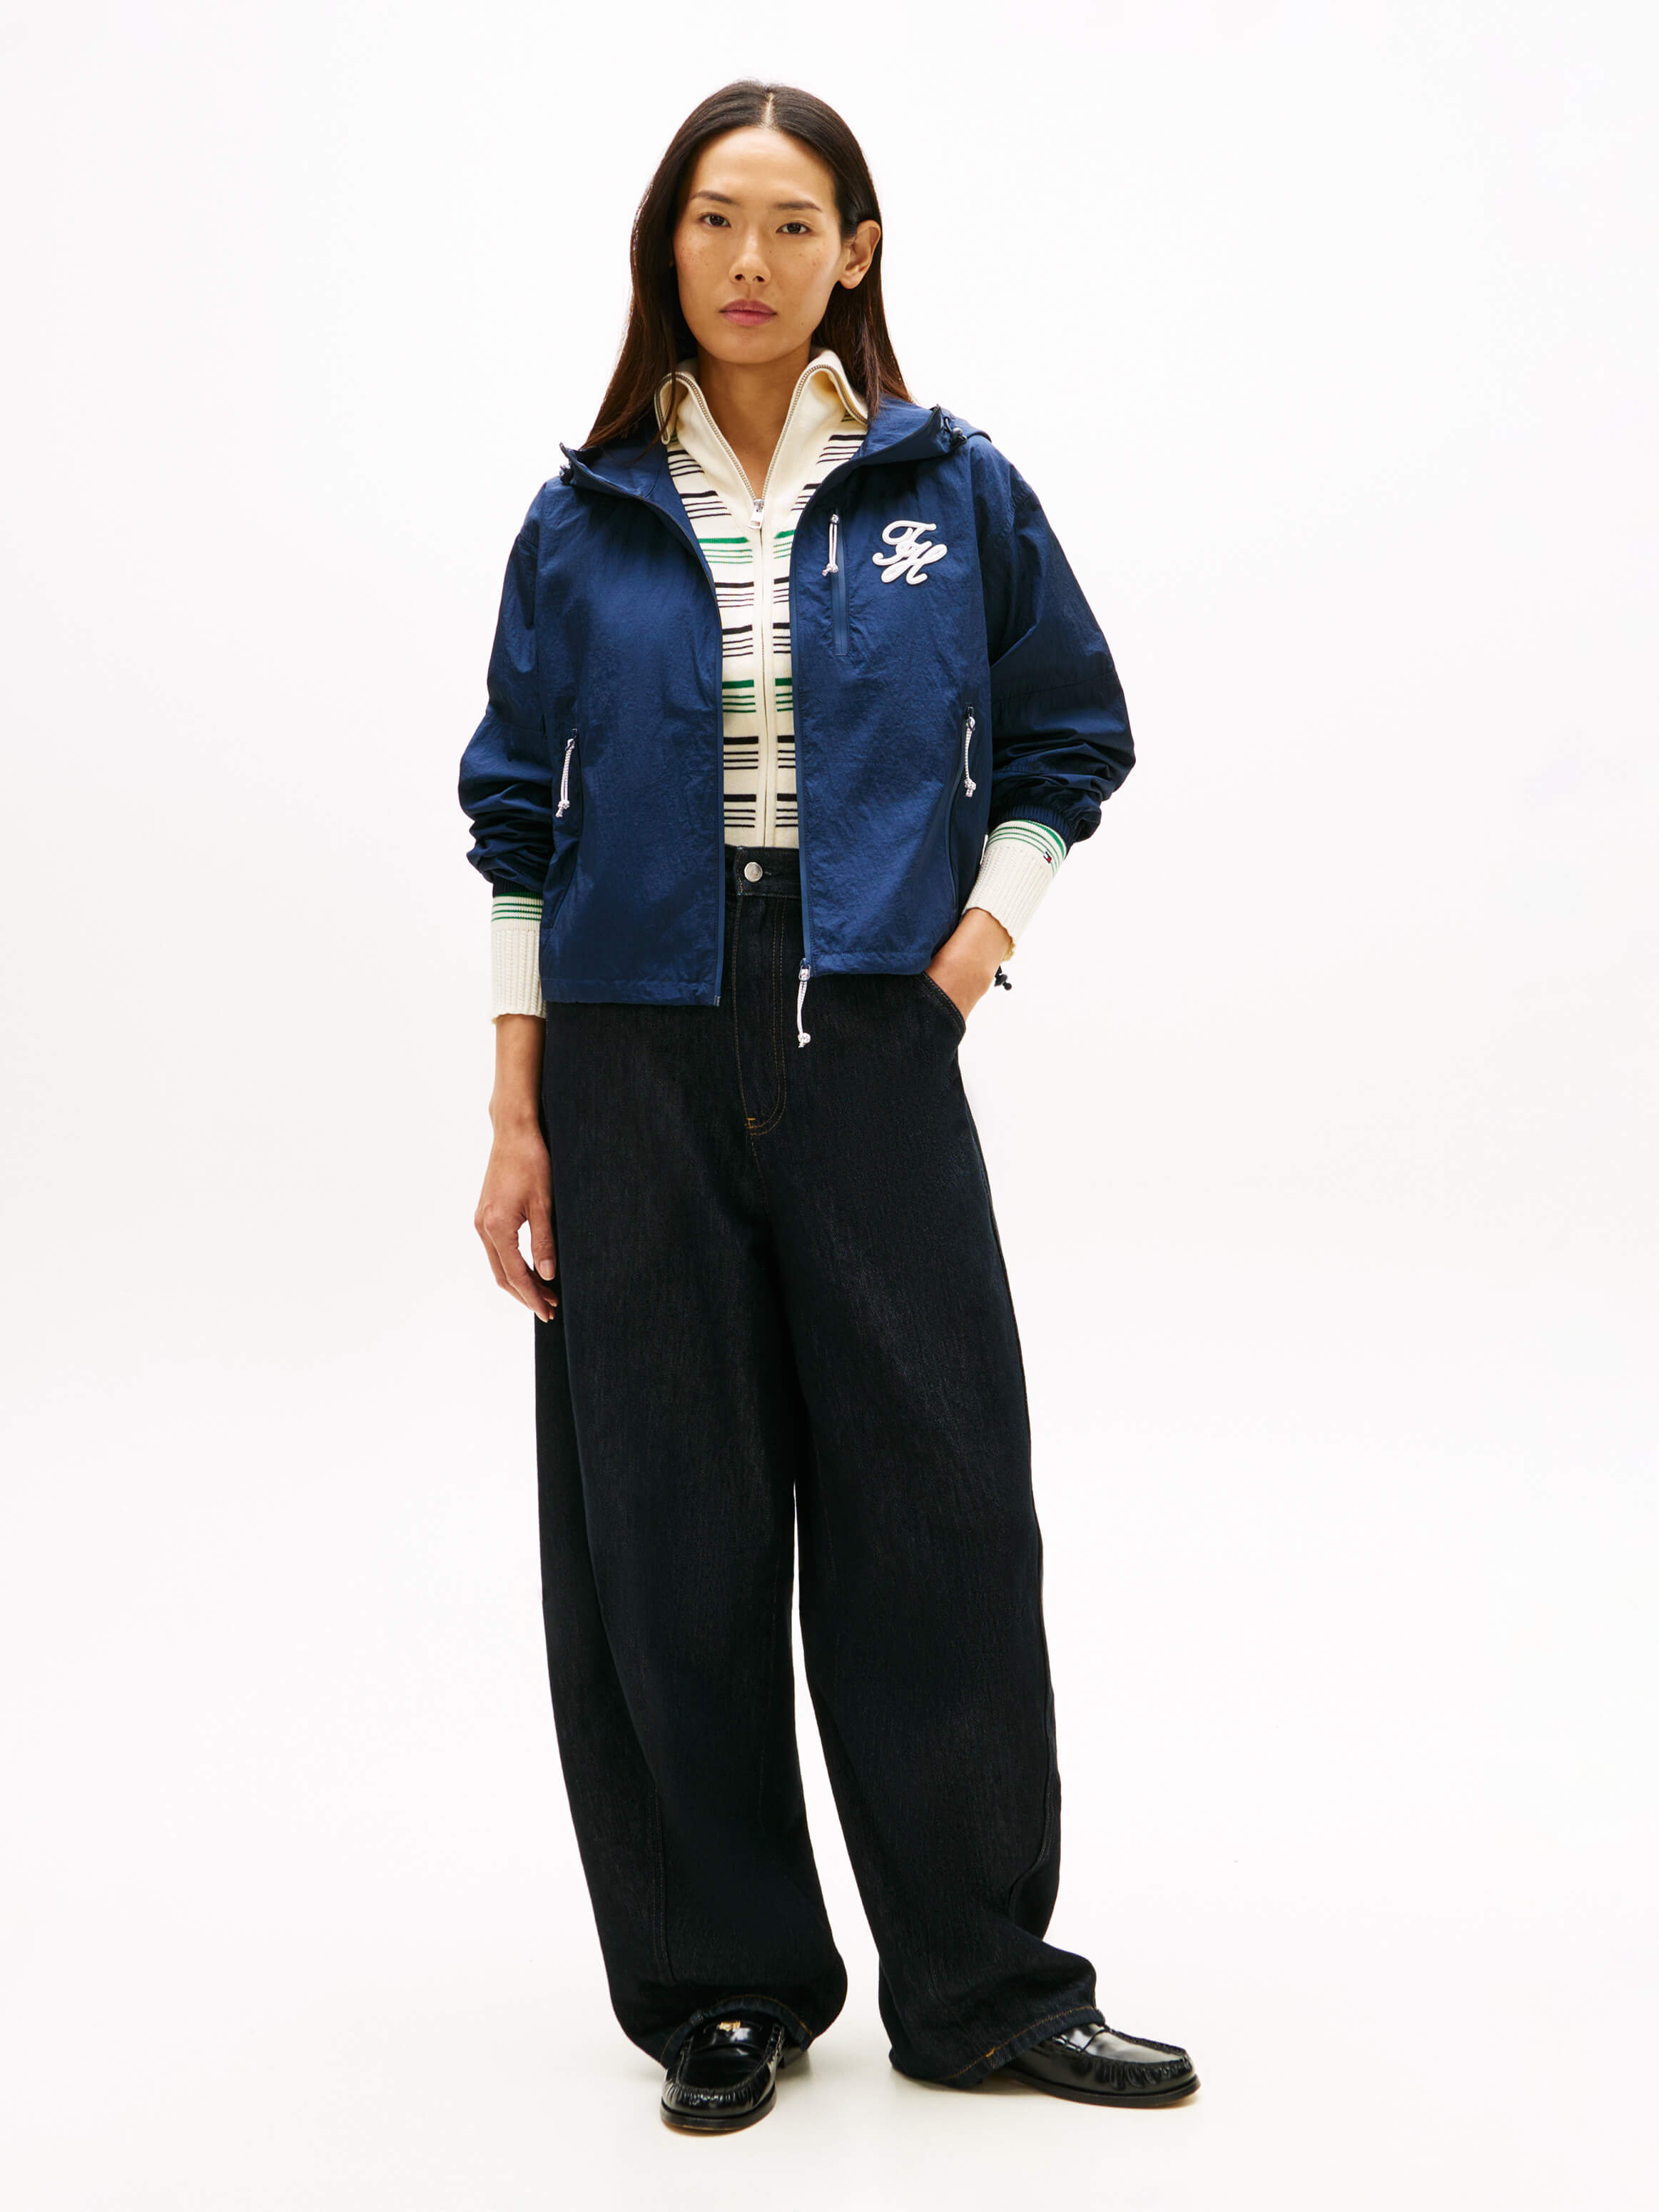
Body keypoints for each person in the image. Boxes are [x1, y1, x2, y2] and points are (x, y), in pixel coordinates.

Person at [458, 78, 1198, 2135]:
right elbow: (514, 816)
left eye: (795, 224)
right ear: (665, 247)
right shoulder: (585, 517)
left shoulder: (951, 492)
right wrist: (518, 1112)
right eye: (717, 219)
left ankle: (981, 1984)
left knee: (940, 1504)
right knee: (665, 1526)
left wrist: (972, 946)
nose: (753, 260)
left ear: (855, 252)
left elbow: (1071, 732)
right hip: (630, 1046)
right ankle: (724, 1985)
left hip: (872, 1029)